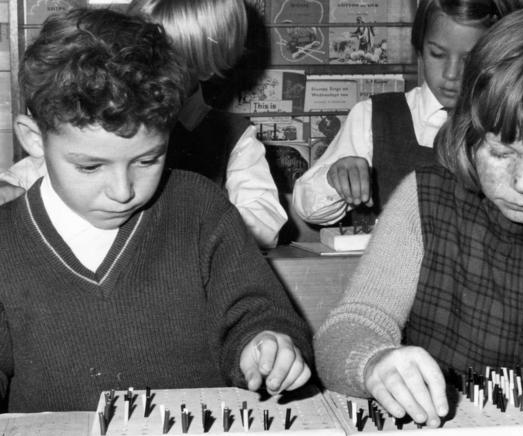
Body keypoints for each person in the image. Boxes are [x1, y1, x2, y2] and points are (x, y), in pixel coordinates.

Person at [314, 6, 523, 429]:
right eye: (501, 153)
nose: (522, 181)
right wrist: (373, 361)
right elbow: (350, 325)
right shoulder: (426, 200)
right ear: (471, 131)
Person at [0, 8, 312, 413]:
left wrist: (268, 344)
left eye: (148, 160)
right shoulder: (6, 240)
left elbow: (257, 313)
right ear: (34, 139)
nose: (123, 190)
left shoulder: (200, 210)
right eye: (90, 166)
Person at [0, 0, 287, 249]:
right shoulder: (103, 116)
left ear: (207, 65)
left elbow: (264, 222)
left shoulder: (232, 136)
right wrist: (9, 186)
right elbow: (49, 166)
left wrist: (195, 225)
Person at [292, 0, 522, 225]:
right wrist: (335, 178)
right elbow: (307, 208)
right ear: (420, 48)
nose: (452, 74)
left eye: (469, 59)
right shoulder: (374, 116)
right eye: (437, 54)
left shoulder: (509, 122)